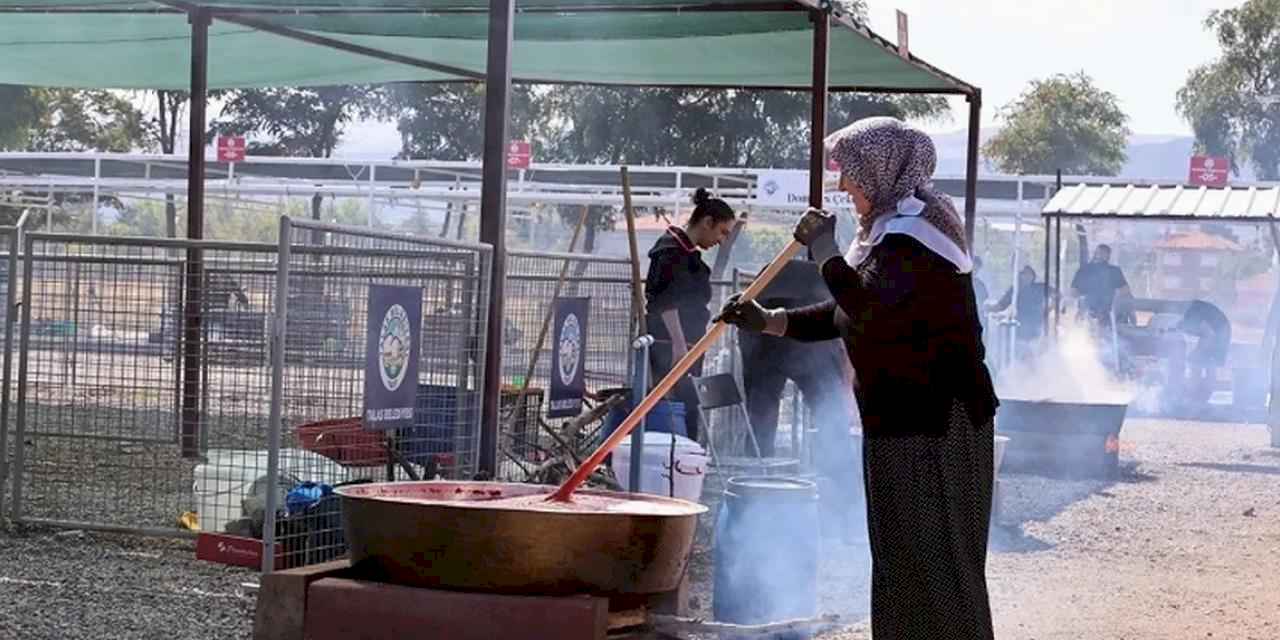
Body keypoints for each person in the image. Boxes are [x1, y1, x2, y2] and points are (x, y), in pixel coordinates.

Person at [718, 117, 998, 640]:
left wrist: (825, 248)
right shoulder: (888, 234)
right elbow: (843, 313)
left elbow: (867, 308)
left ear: (880, 171)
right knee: (900, 562)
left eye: (850, 173)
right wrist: (770, 321)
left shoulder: (921, 237)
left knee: (936, 564)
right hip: (900, 422)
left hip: (936, 426)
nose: (843, 185)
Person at [734, 258, 860, 537]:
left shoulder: (817, 279)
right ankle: (847, 513)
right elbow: (845, 338)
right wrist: (845, 387)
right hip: (783, 332)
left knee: (761, 420)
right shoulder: (836, 279)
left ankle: (751, 508)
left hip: (768, 331)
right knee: (833, 424)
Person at [644, 187, 737, 441]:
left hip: (688, 345)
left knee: (688, 410)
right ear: (707, 222)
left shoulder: (686, 253)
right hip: (670, 346)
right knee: (674, 410)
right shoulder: (670, 251)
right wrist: (678, 344)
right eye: (722, 231)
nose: (722, 240)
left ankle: (687, 458)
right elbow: (665, 299)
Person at [987, 265, 1055, 359]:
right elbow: (1001, 306)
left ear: (1033, 276)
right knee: (1023, 353)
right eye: (1022, 273)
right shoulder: (1015, 290)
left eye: (1027, 274)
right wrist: (987, 308)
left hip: (1037, 327)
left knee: (1036, 353)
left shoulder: (1040, 287)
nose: (1024, 276)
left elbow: (1058, 296)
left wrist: (1049, 309)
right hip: (1020, 328)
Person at [1177, 299, 1231, 406]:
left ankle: (1199, 396)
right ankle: (1199, 396)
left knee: (1200, 362)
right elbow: (1205, 334)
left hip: (1220, 331)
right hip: (1220, 328)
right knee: (1200, 361)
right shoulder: (1191, 316)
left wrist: (1197, 353)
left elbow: (1208, 334)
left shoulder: (1190, 319)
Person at [1071, 243, 1132, 328]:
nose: (1103, 256)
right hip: (1099, 314)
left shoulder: (1084, 270)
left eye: (1104, 253)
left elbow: (1074, 292)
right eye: (1102, 253)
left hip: (1100, 314)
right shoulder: (1085, 270)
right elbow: (1125, 290)